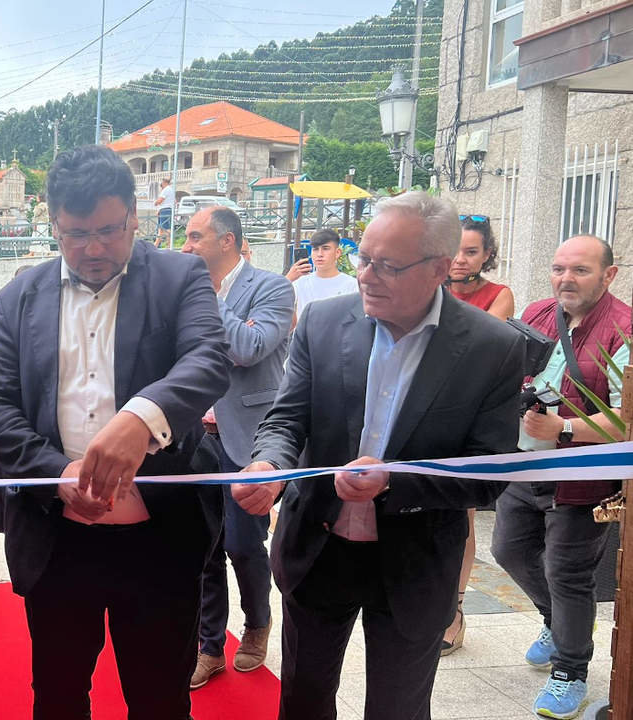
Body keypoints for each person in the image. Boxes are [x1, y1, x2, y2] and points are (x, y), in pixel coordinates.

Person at [232, 191, 526, 720]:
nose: (366, 275)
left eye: (387, 266)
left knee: (397, 707)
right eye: (362, 258)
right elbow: (286, 419)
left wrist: (393, 482)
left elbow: (489, 473)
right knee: (303, 697)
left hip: (416, 559)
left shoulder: (492, 347)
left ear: (439, 267)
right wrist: (269, 466)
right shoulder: (321, 323)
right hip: (318, 549)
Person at [0, 145, 231, 719]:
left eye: (109, 231)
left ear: (136, 216)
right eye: (75, 234)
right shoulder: (22, 295)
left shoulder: (178, 275)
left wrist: (141, 418)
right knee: (60, 696)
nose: (92, 249)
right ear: (54, 224)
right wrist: (56, 472)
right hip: (57, 538)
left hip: (159, 538)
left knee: (160, 698)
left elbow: (209, 359)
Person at [492, 234, 629, 719]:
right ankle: (557, 620)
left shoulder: (623, 330)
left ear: (608, 275)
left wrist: (564, 427)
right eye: (559, 269)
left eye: (580, 270)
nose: (565, 278)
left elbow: (628, 419)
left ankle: (569, 670)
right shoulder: (537, 314)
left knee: (567, 573)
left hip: (581, 475)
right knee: (506, 549)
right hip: (525, 463)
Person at [180, 206, 294, 688]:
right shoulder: (183, 292)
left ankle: (257, 624)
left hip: (248, 436)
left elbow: (250, 348)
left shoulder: (273, 288)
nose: (185, 247)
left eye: (194, 237)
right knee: (200, 547)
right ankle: (209, 646)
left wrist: (207, 297)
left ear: (226, 241)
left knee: (244, 544)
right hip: (192, 437)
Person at [442, 213, 517, 657]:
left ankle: (456, 609)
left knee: (462, 514)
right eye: (455, 249)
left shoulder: (499, 295)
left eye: (471, 251)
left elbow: (477, 352)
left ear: (487, 254)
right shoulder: (430, 288)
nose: (459, 259)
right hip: (423, 414)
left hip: (468, 416)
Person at [290, 228, 359, 320]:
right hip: (305, 334)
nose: (320, 254)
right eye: (315, 249)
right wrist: (288, 279)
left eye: (325, 249)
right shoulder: (299, 283)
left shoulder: (352, 285)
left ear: (337, 252)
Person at [154, 178, 174, 248]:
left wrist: (155, 203)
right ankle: (156, 244)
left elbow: (160, 200)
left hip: (165, 210)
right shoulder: (171, 190)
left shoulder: (166, 190)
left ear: (164, 182)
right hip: (168, 209)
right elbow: (174, 201)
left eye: (161, 183)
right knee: (161, 228)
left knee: (165, 228)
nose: (161, 185)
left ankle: (169, 245)